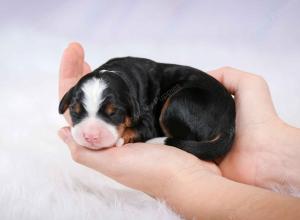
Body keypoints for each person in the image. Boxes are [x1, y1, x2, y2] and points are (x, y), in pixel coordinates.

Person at [58, 43, 300, 219]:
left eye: (112, 114)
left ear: (133, 108)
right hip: (204, 116)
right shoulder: (112, 85)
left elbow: (145, 124)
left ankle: (182, 139)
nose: (90, 132)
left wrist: (133, 134)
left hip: (201, 104)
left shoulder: (139, 99)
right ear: (68, 104)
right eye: (78, 112)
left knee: (169, 110)